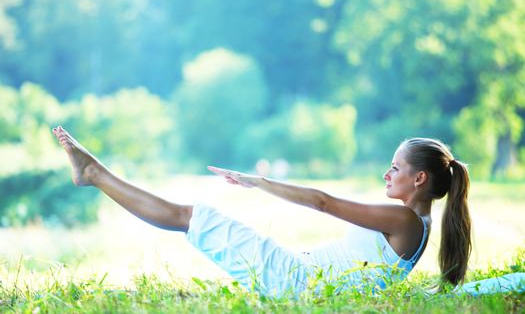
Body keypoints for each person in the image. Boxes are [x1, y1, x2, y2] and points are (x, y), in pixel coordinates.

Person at [52, 126, 472, 297]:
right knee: (194, 220)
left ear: (419, 180)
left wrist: (260, 183)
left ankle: (94, 174)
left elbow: (325, 203)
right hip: (297, 272)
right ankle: (94, 173)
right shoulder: (418, 222)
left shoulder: (404, 220)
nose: (386, 173)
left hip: (295, 281)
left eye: (395, 168)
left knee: (190, 217)